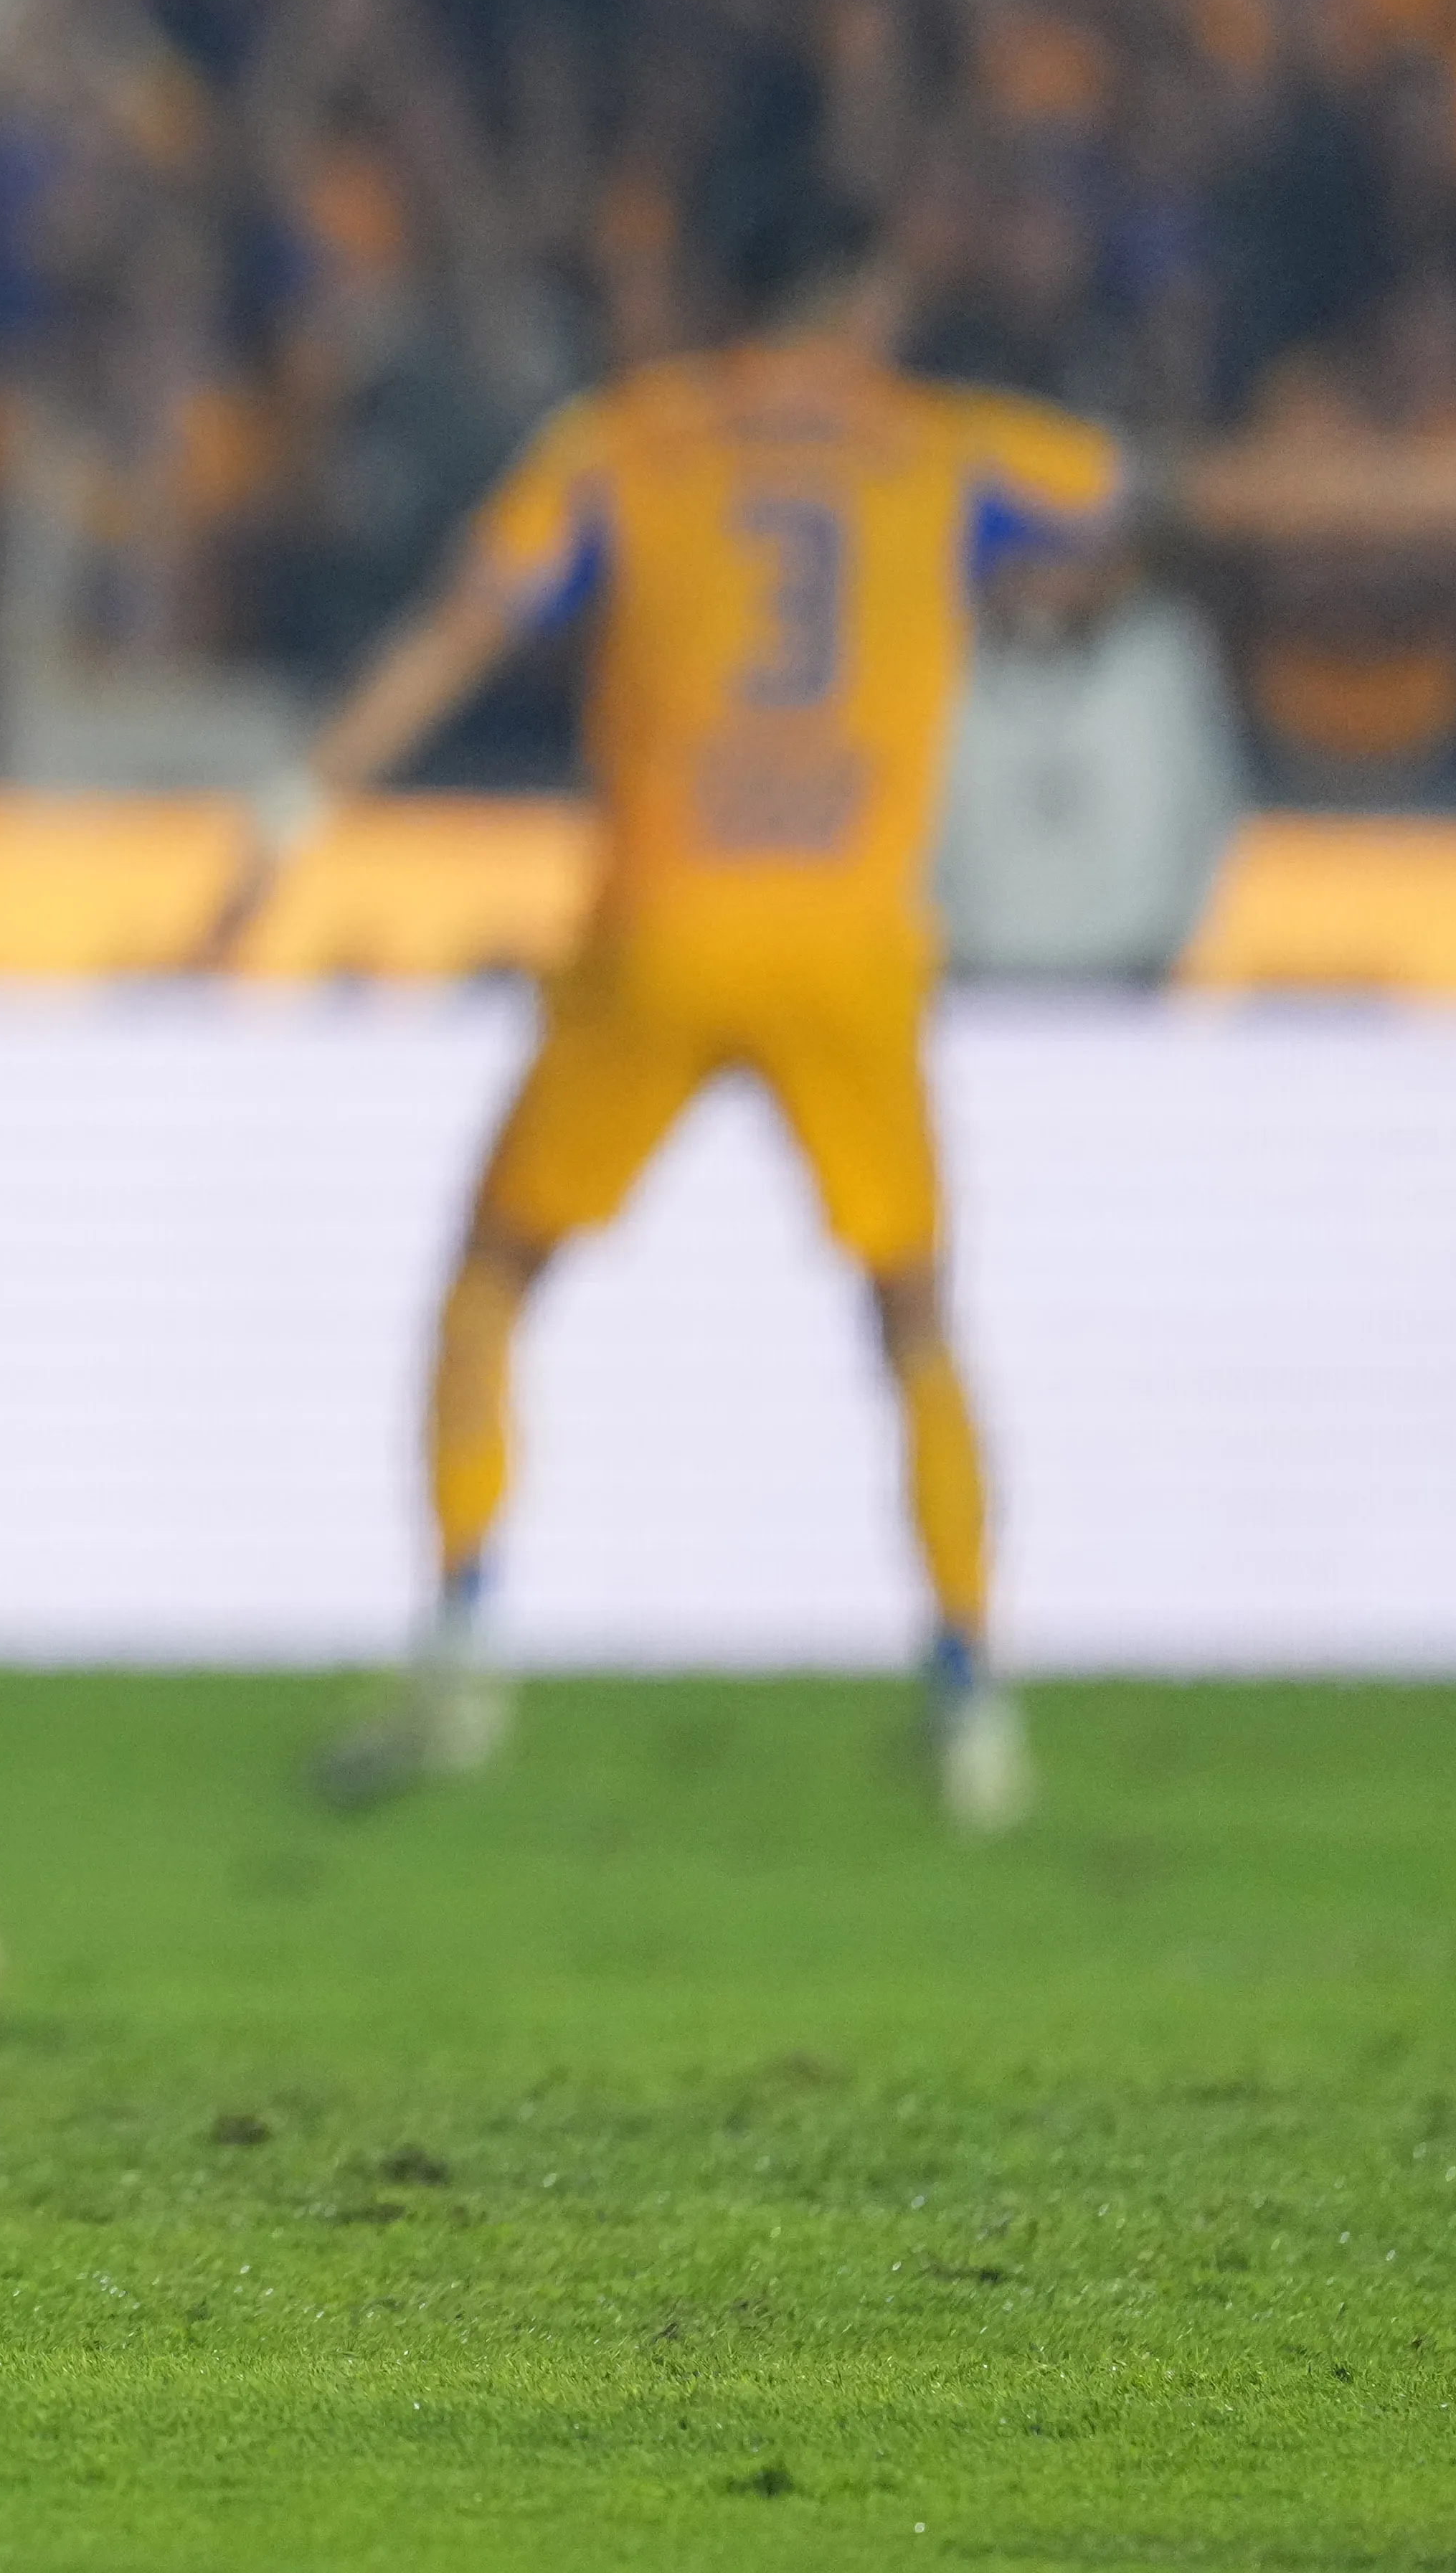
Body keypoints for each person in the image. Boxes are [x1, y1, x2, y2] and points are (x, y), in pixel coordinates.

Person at [237, 159, 1122, 1830]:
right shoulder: (945, 446)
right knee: (915, 1314)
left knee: (494, 1278)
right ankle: (970, 1697)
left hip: (664, 919)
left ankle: (462, 1648)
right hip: (852, 936)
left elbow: (461, 623)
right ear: (863, 297)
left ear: (727, 297)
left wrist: (293, 810)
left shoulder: (624, 441)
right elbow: (1134, 503)